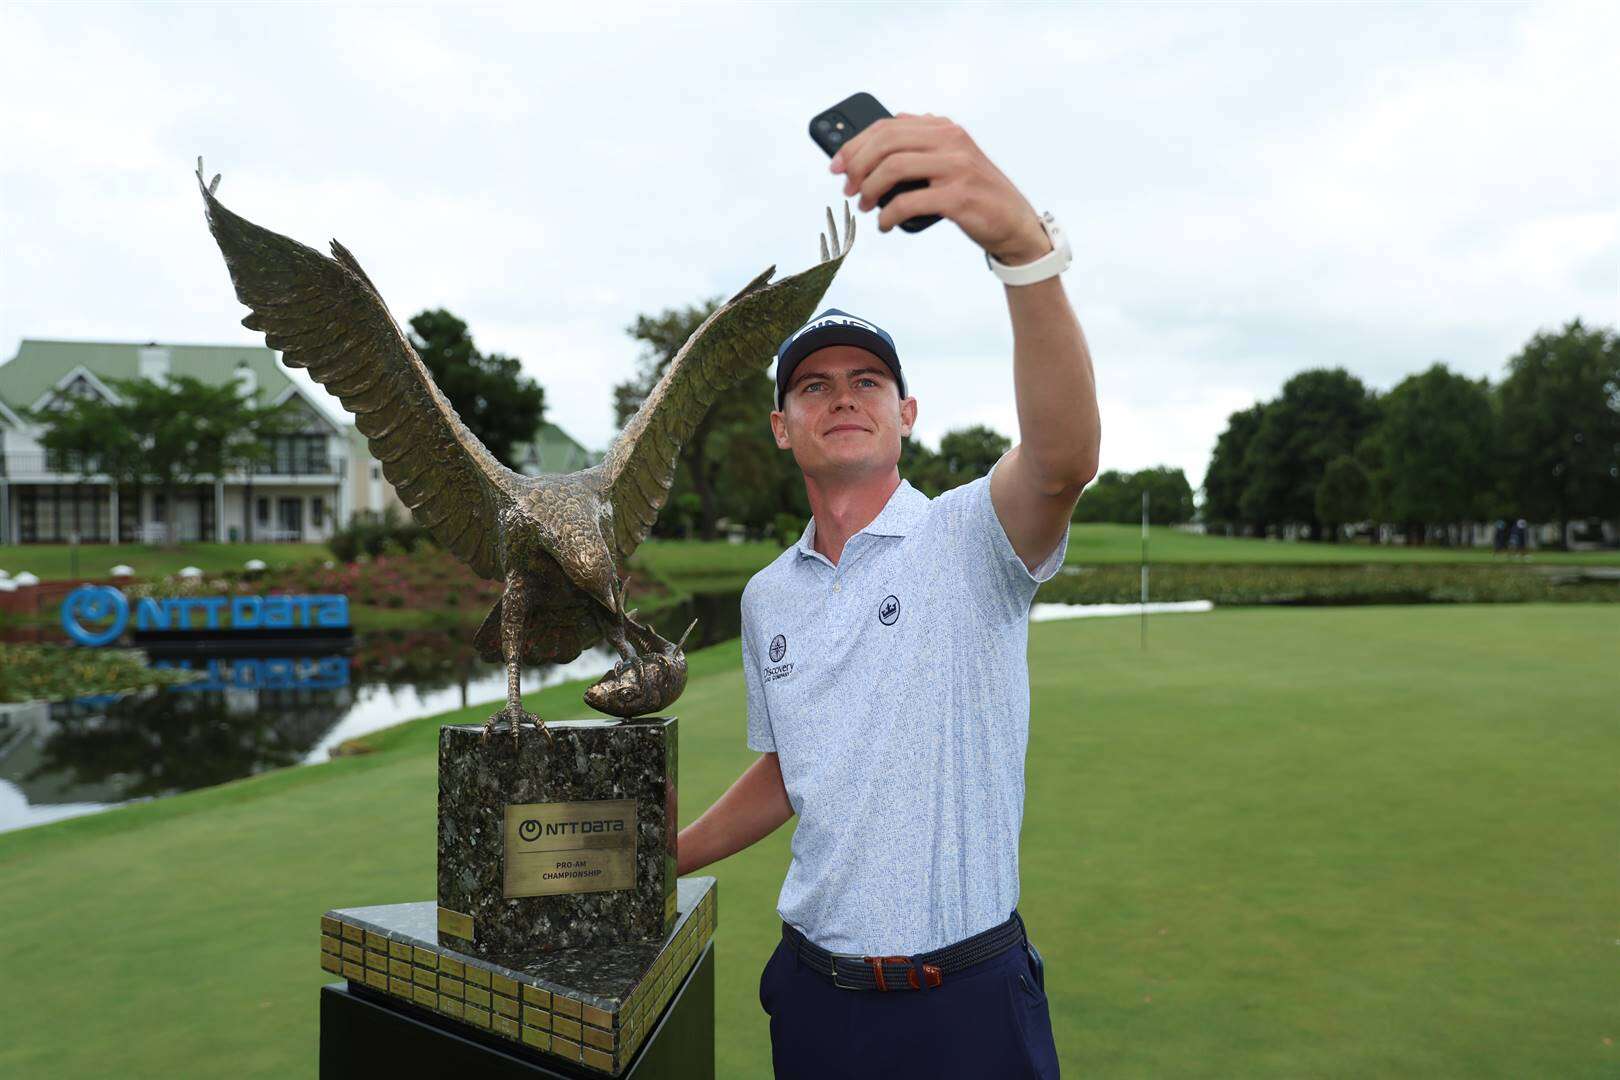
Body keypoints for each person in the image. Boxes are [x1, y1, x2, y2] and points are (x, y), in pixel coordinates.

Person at [675, 112, 1098, 1079]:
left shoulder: (969, 535)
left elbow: (1065, 460)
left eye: (868, 380)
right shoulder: (766, 596)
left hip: (966, 1002)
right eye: (814, 387)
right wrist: (674, 852)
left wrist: (1024, 254)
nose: (843, 397)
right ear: (783, 427)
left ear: (905, 414)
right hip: (814, 999)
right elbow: (793, 769)